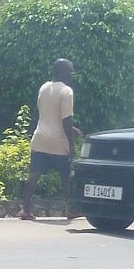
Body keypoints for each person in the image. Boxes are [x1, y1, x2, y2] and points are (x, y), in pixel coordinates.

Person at [19, 58, 82, 220]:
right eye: (69, 70)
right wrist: (72, 144)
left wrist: (70, 129)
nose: (71, 74)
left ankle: (25, 209)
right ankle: (69, 209)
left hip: (39, 137)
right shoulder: (67, 91)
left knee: (34, 173)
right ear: (62, 71)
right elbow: (66, 120)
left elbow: (49, 114)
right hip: (58, 141)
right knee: (66, 176)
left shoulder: (44, 87)